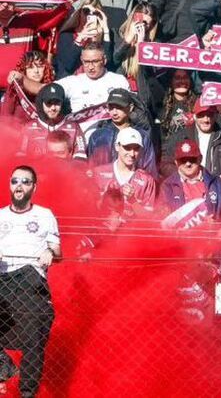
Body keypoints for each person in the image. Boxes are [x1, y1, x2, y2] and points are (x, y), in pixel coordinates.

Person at [0, 166, 60, 398]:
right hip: (2, 277)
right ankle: (3, 368)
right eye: (15, 181)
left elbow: (57, 249)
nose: (19, 185)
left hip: (30, 278)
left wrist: (49, 252)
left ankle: (27, 394)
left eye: (25, 181)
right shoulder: (1, 215)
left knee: (34, 334)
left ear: (34, 187)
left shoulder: (44, 215)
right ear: (9, 185)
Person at [91, 126, 158, 226]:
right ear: (117, 146)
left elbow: (148, 219)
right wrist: (104, 198)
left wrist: (133, 201)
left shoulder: (147, 180)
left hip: (131, 238)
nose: (132, 153)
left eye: (136, 149)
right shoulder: (98, 174)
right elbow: (88, 211)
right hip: (102, 235)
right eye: (127, 148)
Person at [55, 41, 130, 116]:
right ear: (81, 60)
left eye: (95, 61)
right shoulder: (73, 82)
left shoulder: (118, 81)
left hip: (110, 126)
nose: (90, 67)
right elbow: (48, 90)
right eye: (86, 62)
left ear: (104, 60)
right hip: (80, 126)